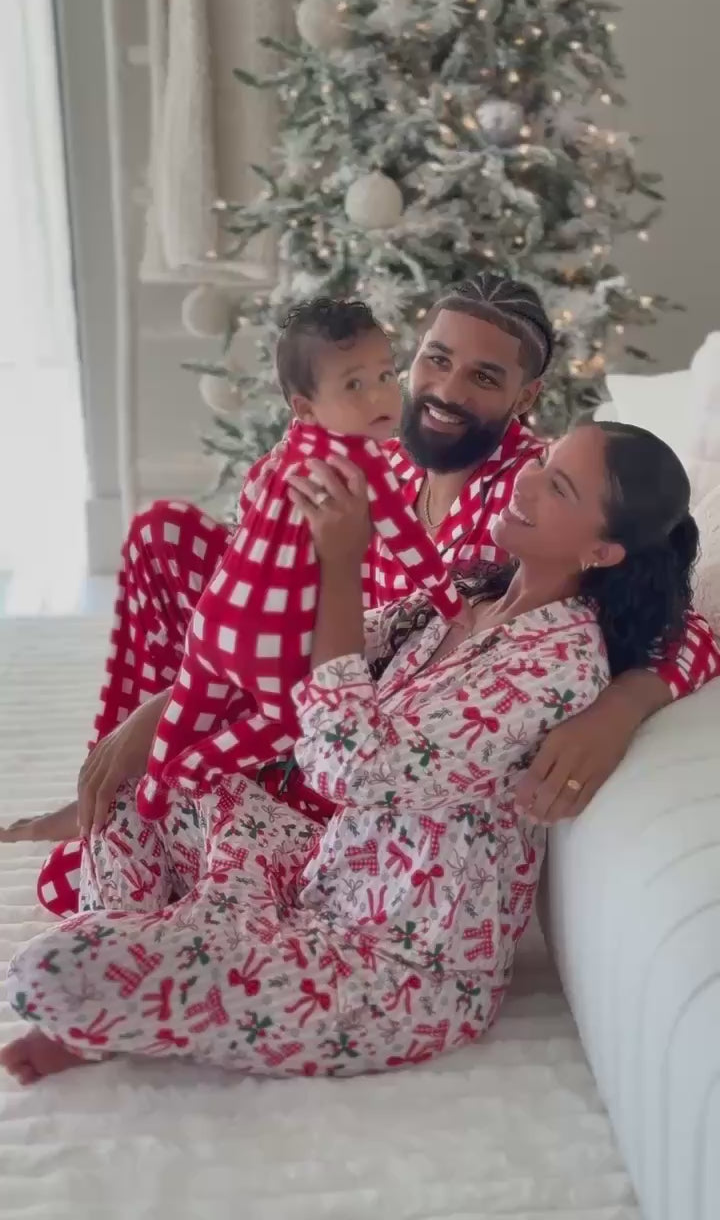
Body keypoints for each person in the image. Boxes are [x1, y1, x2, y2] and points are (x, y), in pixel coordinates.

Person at [0, 419, 700, 1084]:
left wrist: (341, 563)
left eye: (559, 488)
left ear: (602, 552)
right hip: (319, 877)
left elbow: (345, 765)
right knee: (144, 785)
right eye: (545, 462)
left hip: (396, 967)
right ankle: (126, 983)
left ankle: (118, 983)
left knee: (43, 975)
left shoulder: (559, 664)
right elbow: (301, 645)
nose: (527, 482)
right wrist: (163, 711)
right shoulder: (463, 598)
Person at [2, 273, 718, 914]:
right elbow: (265, 595)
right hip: (293, 679)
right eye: (437, 360)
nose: (447, 391)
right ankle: (122, 793)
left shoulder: (532, 495)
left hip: (352, 758)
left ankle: (169, 822)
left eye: (484, 377)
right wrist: (158, 713)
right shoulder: (380, 454)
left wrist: (622, 706)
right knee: (166, 537)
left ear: (526, 396)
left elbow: (687, 621)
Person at [135, 297, 463, 823]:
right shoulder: (365, 464)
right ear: (305, 407)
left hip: (214, 618)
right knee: (292, 720)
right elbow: (409, 542)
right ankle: (190, 772)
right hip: (267, 644)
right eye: (354, 385)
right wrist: (450, 602)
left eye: (385, 375)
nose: (381, 395)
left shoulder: (289, 447)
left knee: (188, 705)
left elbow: (249, 509)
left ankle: (153, 788)